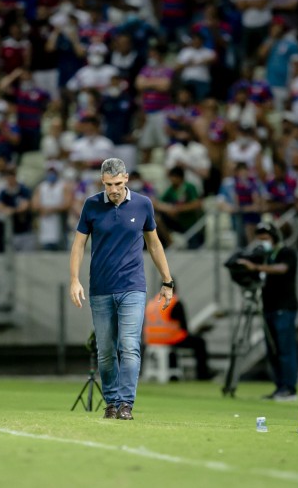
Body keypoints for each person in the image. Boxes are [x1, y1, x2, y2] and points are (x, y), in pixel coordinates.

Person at [69, 158, 174, 420]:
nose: (113, 189)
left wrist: (167, 281)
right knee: (105, 350)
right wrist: (74, 280)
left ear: (126, 178)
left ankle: (126, 404)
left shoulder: (143, 204)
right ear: (102, 182)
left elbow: (154, 245)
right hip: (100, 288)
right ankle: (112, 402)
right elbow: (79, 245)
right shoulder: (91, 205)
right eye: (108, 185)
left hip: (132, 287)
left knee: (129, 346)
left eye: (117, 183)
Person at [236, 222, 298, 401]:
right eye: (260, 239)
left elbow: (283, 268)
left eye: (266, 239)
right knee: (273, 350)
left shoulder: (287, 253)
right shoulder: (264, 256)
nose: (262, 242)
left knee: (285, 349)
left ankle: (290, 388)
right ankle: (280, 387)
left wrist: (256, 267)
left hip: (284, 308)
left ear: (275, 238)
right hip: (268, 307)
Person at [144, 281, 213, 381]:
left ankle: (172, 374)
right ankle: (203, 375)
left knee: (175, 345)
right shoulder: (174, 302)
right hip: (169, 339)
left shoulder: (152, 303)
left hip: (151, 340)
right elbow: (184, 328)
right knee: (200, 343)